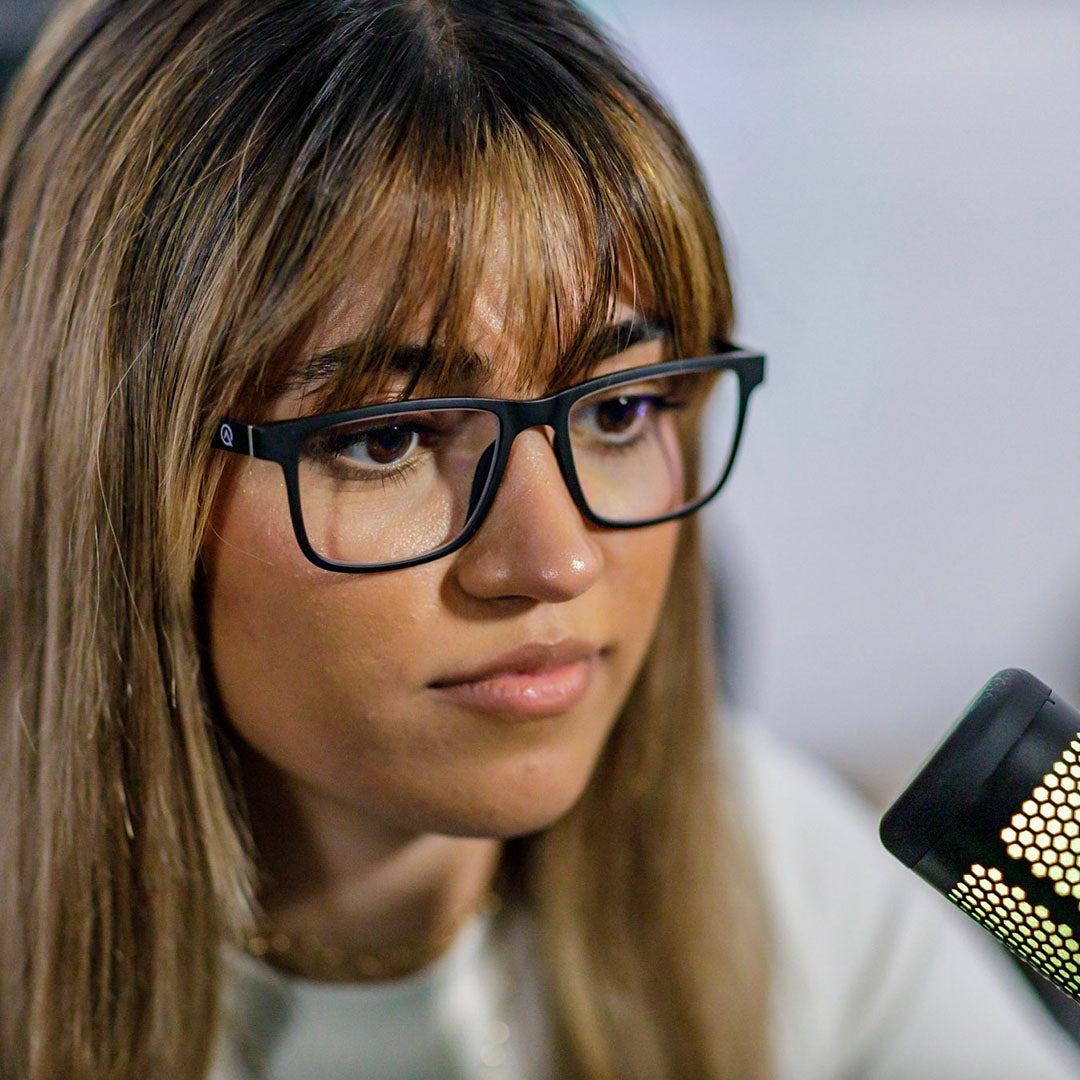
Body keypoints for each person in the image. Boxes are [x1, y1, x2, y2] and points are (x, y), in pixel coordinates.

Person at [0, 1, 1077, 1078]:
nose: (555, 561)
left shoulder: (766, 872)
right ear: (118, 473)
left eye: (618, 411)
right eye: (386, 437)